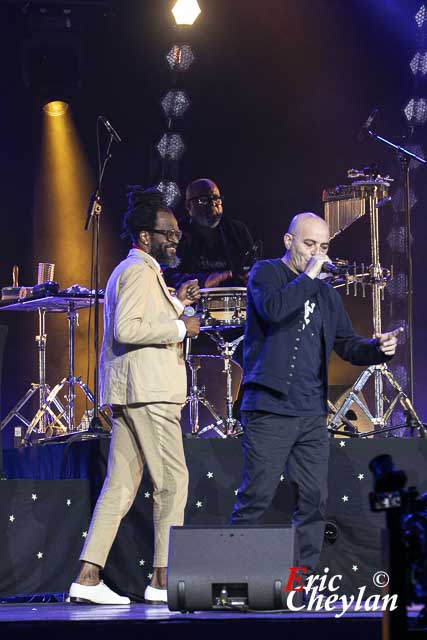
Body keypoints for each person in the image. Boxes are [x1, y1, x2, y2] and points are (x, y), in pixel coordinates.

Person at [230, 212, 400, 580]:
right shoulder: (266, 273)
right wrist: (309, 276)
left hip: (310, 412)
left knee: (312, 501)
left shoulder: (325, 293)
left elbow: (347, 344)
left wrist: (377, 348)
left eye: (323, 247)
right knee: (255, 497)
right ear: (288, 241)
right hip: (270, 407)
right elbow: (273, 310)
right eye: (309, 244)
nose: (317, 254)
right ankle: (234, 580)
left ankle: (299, 581)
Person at [69, 187, 200, 605]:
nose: (174, 239)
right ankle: (162, 582)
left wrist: (176, 305)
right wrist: (182, 328)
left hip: (132, 392)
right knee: (173, 482)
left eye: (177, 233)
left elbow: (141, 321)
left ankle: (87, 577)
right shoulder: (140, 271)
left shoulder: (139, 272)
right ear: (145, 237)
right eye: (167, 233)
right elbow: (128, 329)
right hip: (150, 394)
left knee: (121, 486)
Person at [163, 178, 256, 289]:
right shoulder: (177, 232)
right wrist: (204, 280)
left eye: (216, 199)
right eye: (204, 200)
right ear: (189, 206)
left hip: (234, 301)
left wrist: (251, 276)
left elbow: (252, 266)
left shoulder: (237, 230)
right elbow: (167, 275)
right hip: (191, 302)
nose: (213, 204)